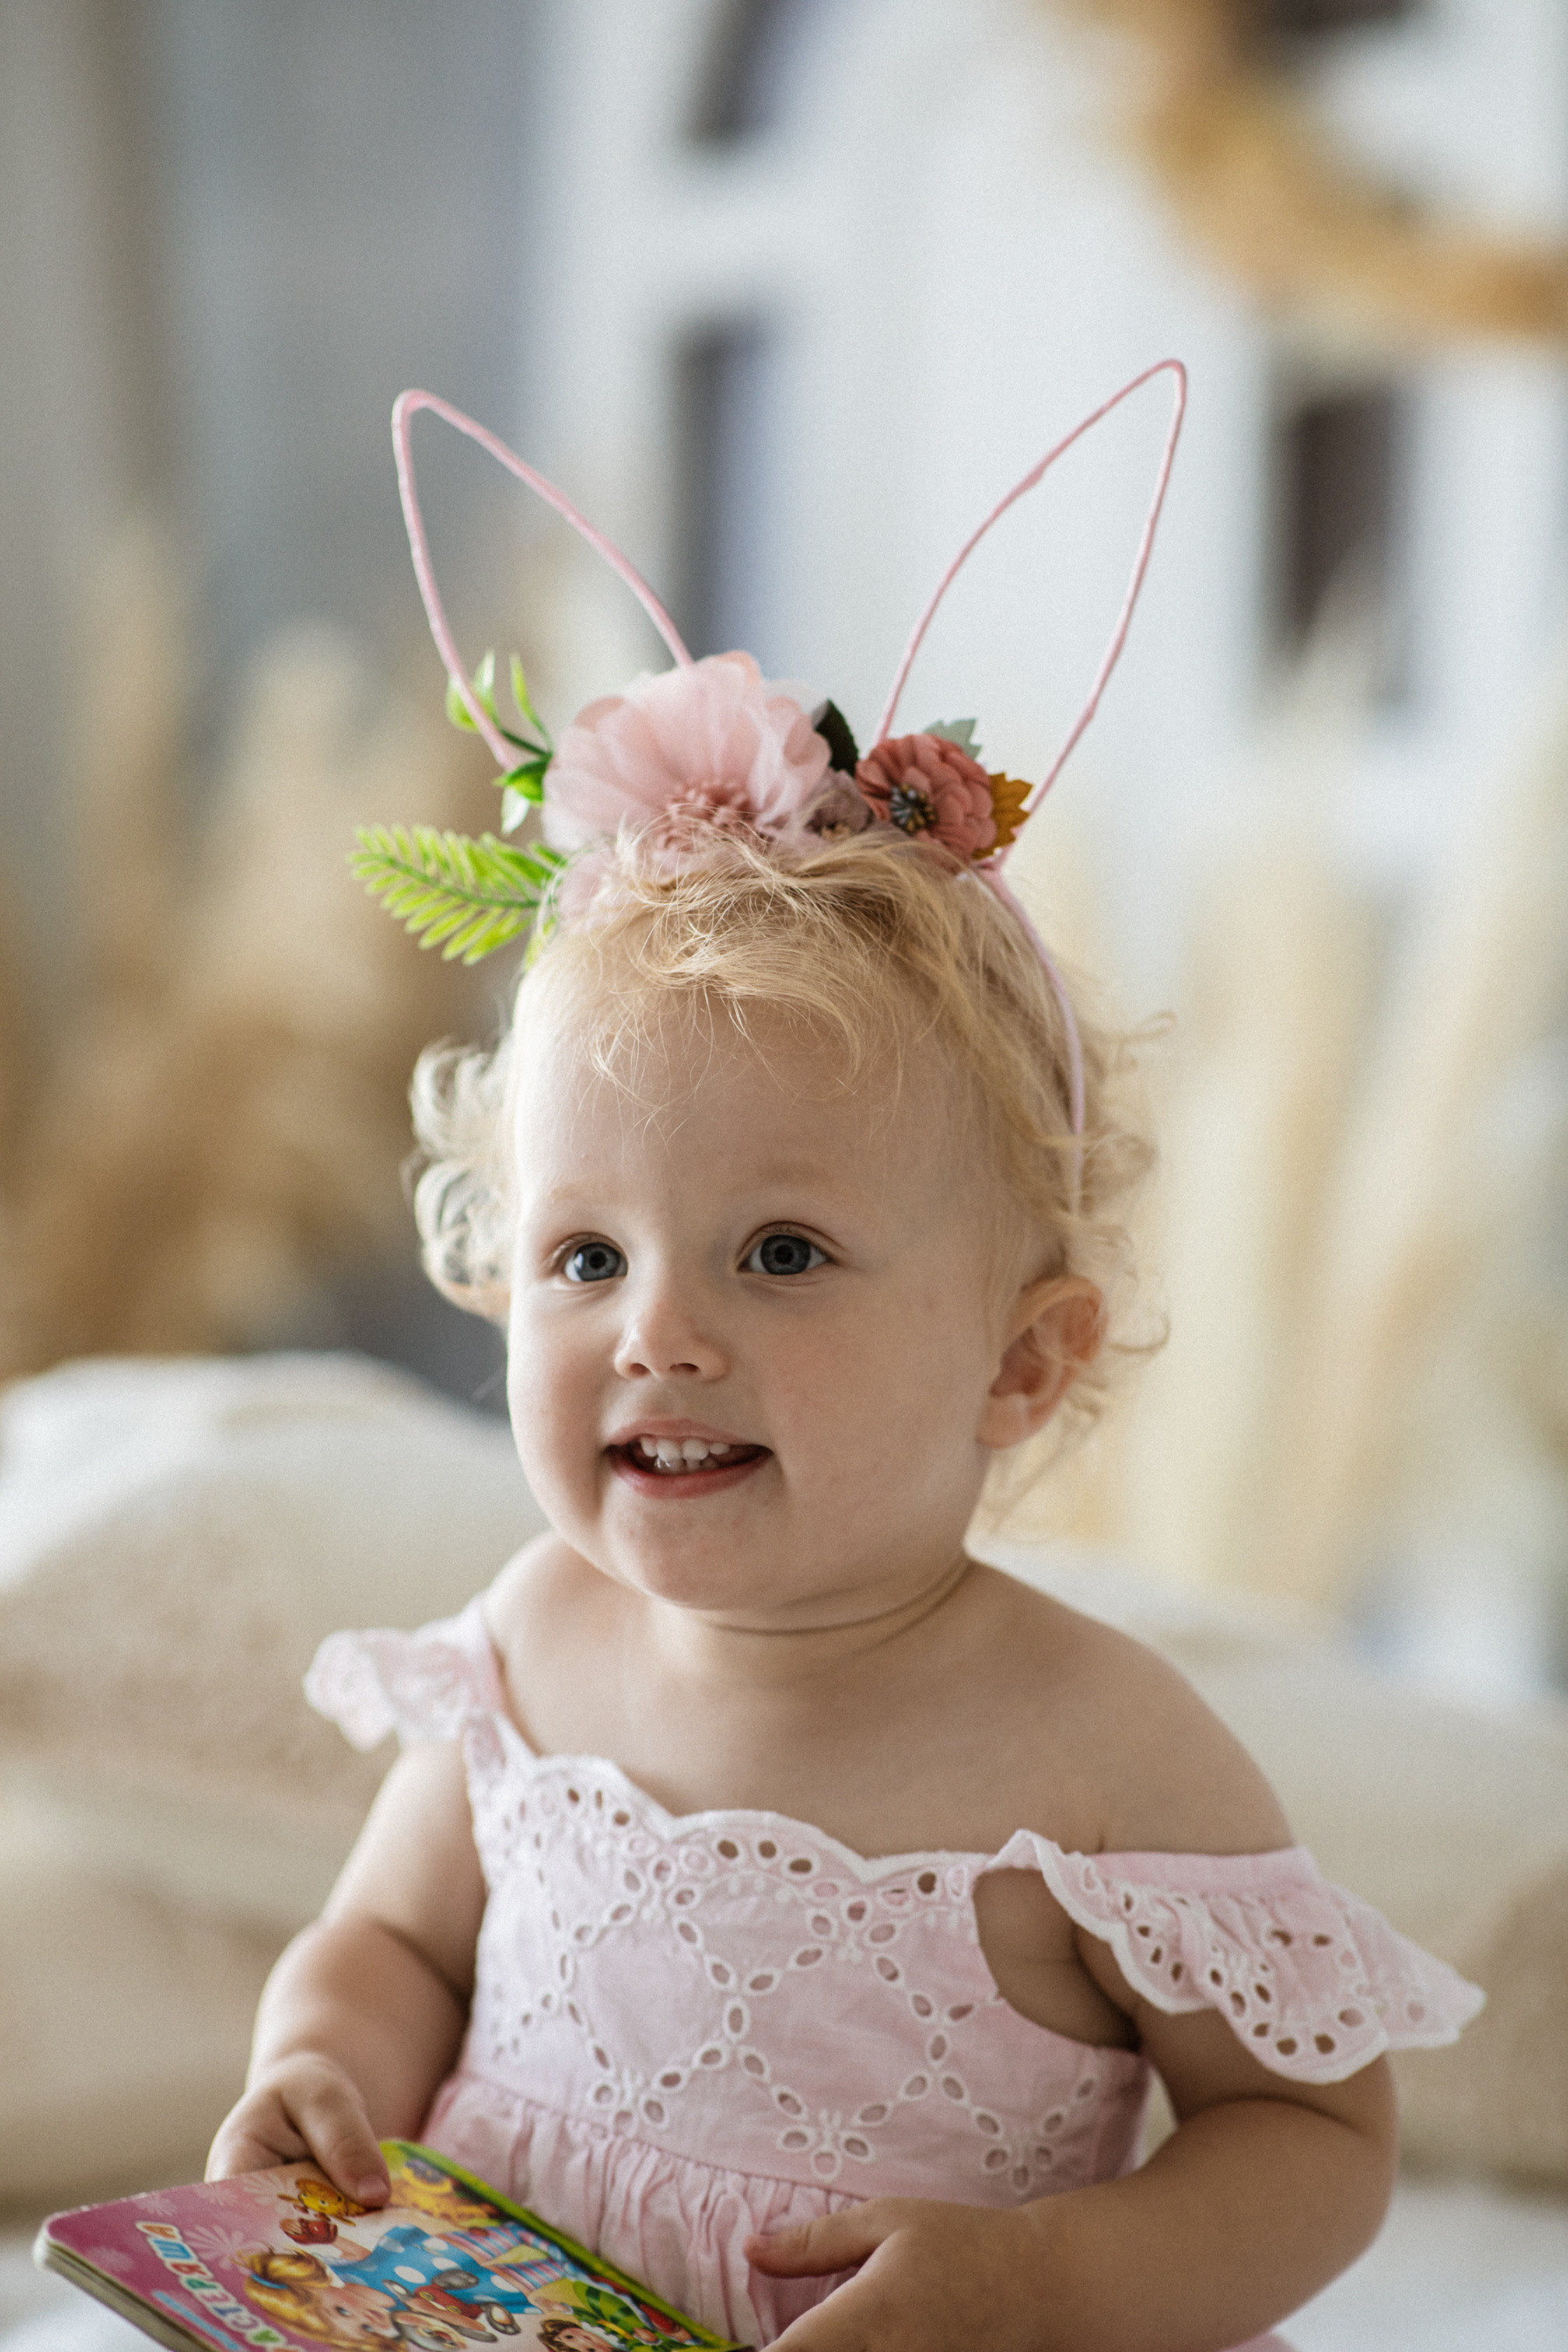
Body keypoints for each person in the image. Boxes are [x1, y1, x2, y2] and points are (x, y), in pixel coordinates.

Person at [208, 381, 1482, 2350]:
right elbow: (390, 1939)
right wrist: (321, 2063)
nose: (657, 1332)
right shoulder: (526, 1650)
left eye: (782, 1252)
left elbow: (1308, 2139)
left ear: (1020, 1362)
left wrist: (1046, 2279)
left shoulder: (1099, 1756)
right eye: (584, 1256)